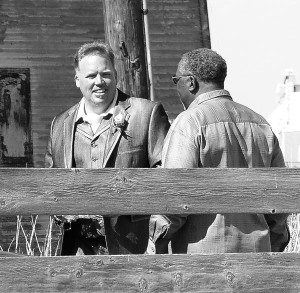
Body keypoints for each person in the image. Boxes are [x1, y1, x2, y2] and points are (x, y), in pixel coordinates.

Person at [149, 48, 290, 254]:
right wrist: (274, 245)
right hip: (258, 257)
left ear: (190, 82)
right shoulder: (262, 125)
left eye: (175, 80)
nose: (176, 88)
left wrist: (154, 244)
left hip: (203, 261)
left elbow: (175, 197)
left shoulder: (189, 122)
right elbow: (279, 201)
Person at [45, 40, 170, 255]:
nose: (99, 82)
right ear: (77, 80)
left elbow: (164, 176)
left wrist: (154, 238)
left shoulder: (146, 114)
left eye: (106, 74)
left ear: (116, 75)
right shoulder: (60, 124)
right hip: (77, 249)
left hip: (133, 246)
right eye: (91, 76)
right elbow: (50, 181)